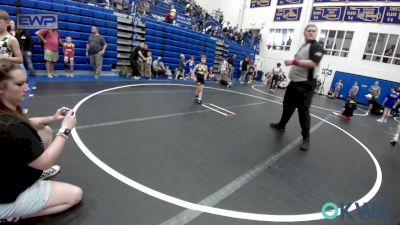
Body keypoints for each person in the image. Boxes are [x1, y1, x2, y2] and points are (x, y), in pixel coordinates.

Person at [0, 64, 82, 223]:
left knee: (44, 131)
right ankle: (9, 216)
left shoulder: (7, 110)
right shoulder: (11, 127)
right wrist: (65, 129)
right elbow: (46, 161)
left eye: (25, 82)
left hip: (6, 172)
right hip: (5, 197)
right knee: (74, 195)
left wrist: (53, 118)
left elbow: (29, 122)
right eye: (19, 84)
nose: (26, 87)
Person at [270, 24, 324, 151]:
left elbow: (312, 63)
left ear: (316, 34)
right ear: (304, 33)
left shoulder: (317, 47)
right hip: (294, 83)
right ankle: (281, 125)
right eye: (309, 31)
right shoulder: (303, 46)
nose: (311, 33)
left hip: (306, 85)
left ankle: (306, 138)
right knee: (287, 105)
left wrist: (292, 62)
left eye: (313, 31)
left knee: (303, 112)